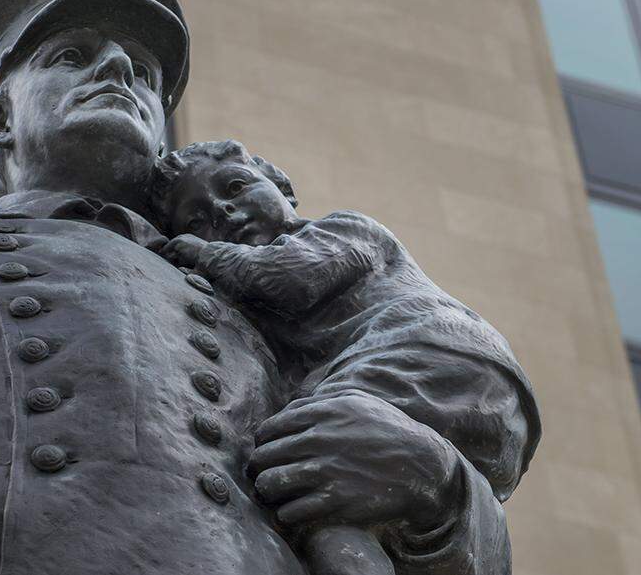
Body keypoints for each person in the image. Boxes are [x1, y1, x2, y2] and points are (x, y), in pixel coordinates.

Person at [0, 0, 537, 575]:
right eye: (72, 55)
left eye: (142, 72)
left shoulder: (277, 317)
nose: (116, 72)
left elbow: (466, 489)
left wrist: (436, 485)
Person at [153, 141, 539, 575]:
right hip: (471, 406)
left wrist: (201, 251)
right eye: (197, 220)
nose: (222, 211)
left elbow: (287, 277)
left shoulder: (342, 230)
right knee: (325, 502)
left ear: (282, 186)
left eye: (236, 186)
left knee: (310, 462)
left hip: (431, 357)